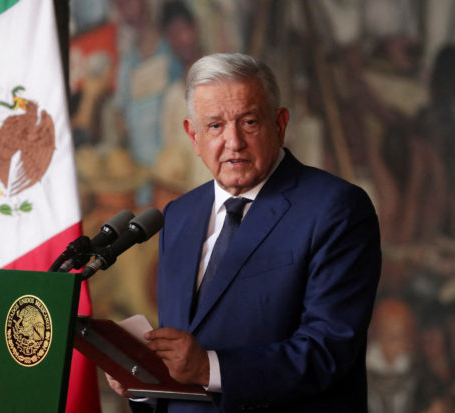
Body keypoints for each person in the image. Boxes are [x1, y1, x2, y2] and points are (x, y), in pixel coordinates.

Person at [107, 52, 381, 412]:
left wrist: (210, 367)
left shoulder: (336, 208)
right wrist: (141, 379)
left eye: (249, 122)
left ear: (280, 124)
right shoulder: (178, 215)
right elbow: (182, 362)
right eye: (215, 126)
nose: (233, 142)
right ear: (193, 135)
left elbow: (327, 350)